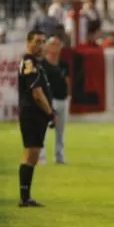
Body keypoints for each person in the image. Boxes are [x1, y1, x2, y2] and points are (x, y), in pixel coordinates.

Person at [17, 29, 55, 208]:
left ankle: (26, 196)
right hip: (32, 114)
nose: (41, 45)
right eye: (37, 41)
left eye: (43, 41)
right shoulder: (29, 62)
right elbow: (37, 93)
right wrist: (49, 113)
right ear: (28, 43)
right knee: (31, 154)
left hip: (33, 114)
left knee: (32, 154)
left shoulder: (34, 63)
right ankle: (25, 197)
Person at [40, 35, 69, 165]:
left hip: (62, 99)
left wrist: (69, 96)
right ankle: (41, 157)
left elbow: (68, 81)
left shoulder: (63, 64)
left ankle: (59, 156)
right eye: (53, 44)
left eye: (58, 45)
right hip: (49, 100)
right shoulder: (43, 65)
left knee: (60, 130)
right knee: (44, 129)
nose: (56, 48)